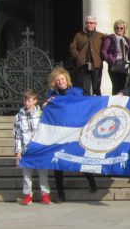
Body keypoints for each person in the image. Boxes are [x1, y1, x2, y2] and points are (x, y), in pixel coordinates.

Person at [42, 67, 98, 200]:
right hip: (59, 133)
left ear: (67, 80)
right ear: (54, 82)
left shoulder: (76, 93)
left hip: (75, 132)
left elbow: (87, 106)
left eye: (62, 79)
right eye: (58, 80)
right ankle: (61, 195)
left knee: (79, 159)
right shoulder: (51, 95)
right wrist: (46, 105)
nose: (60, 82)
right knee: (57, 163)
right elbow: (48, 112)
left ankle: (92, 181)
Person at [13, 88, 50, 205]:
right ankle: (27, 195)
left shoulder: (41, 114)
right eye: (26, 100)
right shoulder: (19, 116)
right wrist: (18, 151)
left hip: (39, 148)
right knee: (26, 175)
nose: (27, 103)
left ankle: (45, 194)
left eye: (29, 100)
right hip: (26, 149)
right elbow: (17, 135)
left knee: (43, 173)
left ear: (35, 101)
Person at [68, 15, 105, 95]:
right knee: (85, 88)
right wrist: (79, 57)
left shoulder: (101, 36)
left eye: (91, 23)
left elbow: (107, 48)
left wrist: (103, 57)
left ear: (95, 24)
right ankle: (87, 105)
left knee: (97, 87)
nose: (89, 24)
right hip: (83, 65)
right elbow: (72, 47)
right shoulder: (79, 35)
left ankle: (98, 105)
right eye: (87, 23)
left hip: (96, 65)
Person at [101, 19, 130, 95]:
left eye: (121, 28)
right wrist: (111, 60)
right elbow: (104, 51)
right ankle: (115, 103)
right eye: (117, 28)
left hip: (124, 66)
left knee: (123, 87)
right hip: (115, 65)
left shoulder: (127, 40)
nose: (119, 29)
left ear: (124, 29)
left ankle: (121, 105)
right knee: (116, 86)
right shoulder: (110, 39)